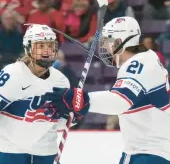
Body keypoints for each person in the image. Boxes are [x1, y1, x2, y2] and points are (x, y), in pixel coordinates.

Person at [45, 17, 170, 164]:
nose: (104, 46)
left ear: (119, 42)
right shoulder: (145, 59)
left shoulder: (138, 64)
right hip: (146, 151)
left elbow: (119, 101)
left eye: (107, 41)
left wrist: (82, 99)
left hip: (149, 154)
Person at [0, 24, 89, 164]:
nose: (46, 49)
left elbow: (57, 123)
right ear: (28, 48)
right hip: (12, 151)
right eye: (40, 45)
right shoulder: (12, 75)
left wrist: (76, 114)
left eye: (50, 45)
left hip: (46, 152)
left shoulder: (61, 81)